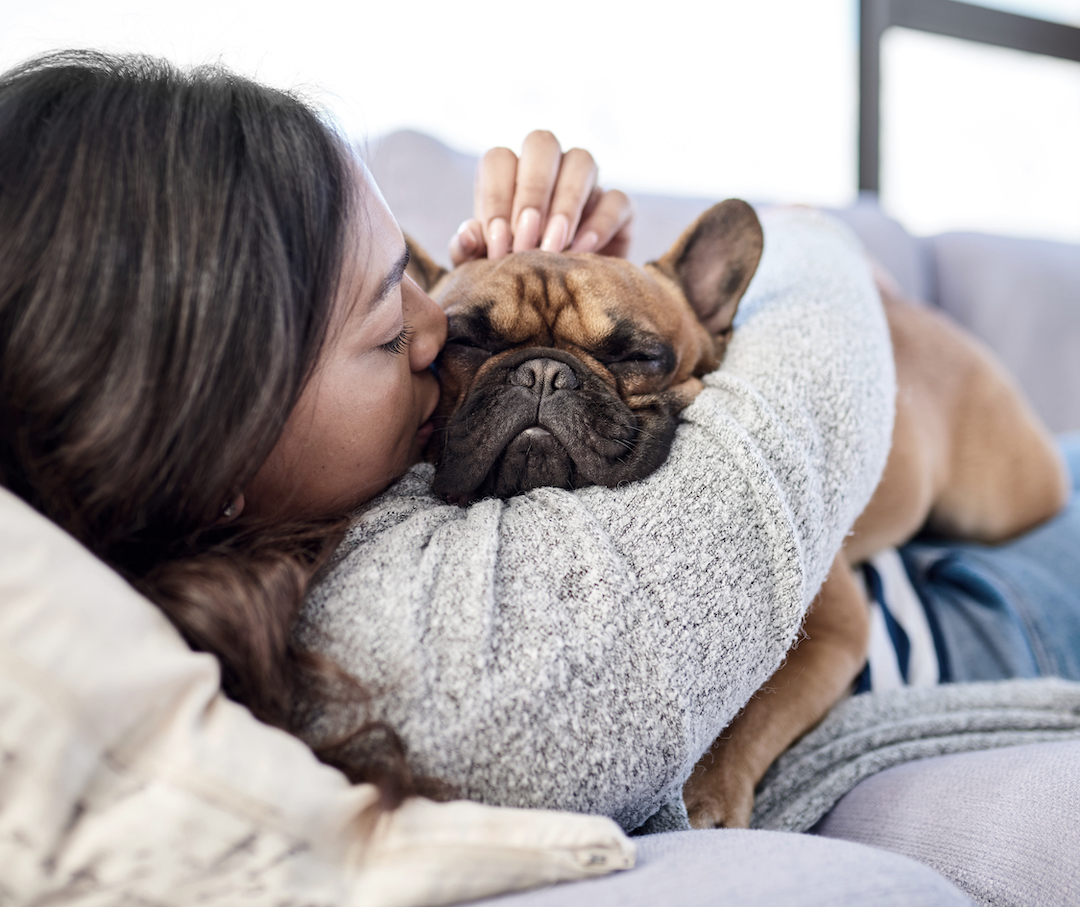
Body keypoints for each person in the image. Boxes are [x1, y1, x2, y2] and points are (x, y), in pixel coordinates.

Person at [1, 50, 1076, 906]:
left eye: (434, 297)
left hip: (957, 533)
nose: (434, 330)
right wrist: (809, 259)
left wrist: (532, 290)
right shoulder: (457, 649)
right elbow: (819, 295)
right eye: (398, 321)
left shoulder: (277, 534)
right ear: (223, 430)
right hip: (987, 607)